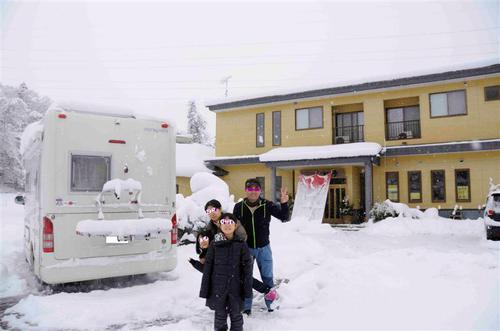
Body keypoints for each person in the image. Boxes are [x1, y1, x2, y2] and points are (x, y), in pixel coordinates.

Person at [189, 199, 271, 295]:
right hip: (221, 259)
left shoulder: (230, 220)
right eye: (208, 211)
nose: (212, 213)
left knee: (242, 277)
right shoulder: (210, 226)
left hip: (236, 254)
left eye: (214, 210)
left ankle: (266, 290)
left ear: (220, 209)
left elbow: (242, 237)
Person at [233, 178, 290, 315]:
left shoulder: (267, 205)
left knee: (267, 277)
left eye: (256, 189)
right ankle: (246, 307)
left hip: (264, 248)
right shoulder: (239, 207)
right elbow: (233, 228)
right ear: (246, 190)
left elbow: (284, 217)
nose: (253, 192)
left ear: (260, 190)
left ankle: (271, 304)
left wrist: (284, 203)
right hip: (246, 249)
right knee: (246, 278)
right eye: (250, 189)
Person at [199, 213, 253, 331]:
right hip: (218, 288)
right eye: (224, 222)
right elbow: (208, 267)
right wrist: (205, 289)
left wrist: (247, 289)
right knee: (219, 317)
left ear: (235, 226)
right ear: (220, 225)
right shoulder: (214, 244)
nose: (227, 225)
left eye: (230, 223)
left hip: (236, 287)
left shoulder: (241, 244)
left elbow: (247, 268)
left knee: (236, 317)